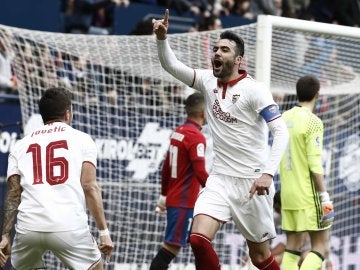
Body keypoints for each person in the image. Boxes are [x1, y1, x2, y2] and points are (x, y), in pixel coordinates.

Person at [152, 9, 289, 270]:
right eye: (215, 48)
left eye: (224, 50)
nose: (217, 53)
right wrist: (162, 39)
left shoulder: (255, 90)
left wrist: (268, 174)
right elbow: (171, 65)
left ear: (238, 59)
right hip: (220, 180)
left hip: (252, 183)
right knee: (198, 239)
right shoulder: (207, 80)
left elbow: (281, 131)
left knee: (260, 257)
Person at [0, 87, 113, 269]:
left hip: (29, 227)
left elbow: (14, 193)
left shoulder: (20, 145)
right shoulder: (83, 139)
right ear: (68, 114)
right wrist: (104, 231)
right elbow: (89, 186)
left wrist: (5, 235)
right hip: (69, 225)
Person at [279, 75, 334, 269]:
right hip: (309, 196)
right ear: (317, 95)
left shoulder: (283, 118)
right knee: (321, 246)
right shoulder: (313, 122)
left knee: (292, 246)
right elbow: (314, 163)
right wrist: (325, 197)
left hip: (288, 195)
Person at [150, 92, 209, 270]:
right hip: (184, 202)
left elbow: (166, 167)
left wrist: (163, 195)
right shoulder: (196, 137)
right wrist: (217, 191)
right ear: (203, 113)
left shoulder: (178, 132)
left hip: (178, 199)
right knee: (170, 249)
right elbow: (200, 172)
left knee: (201, 244)